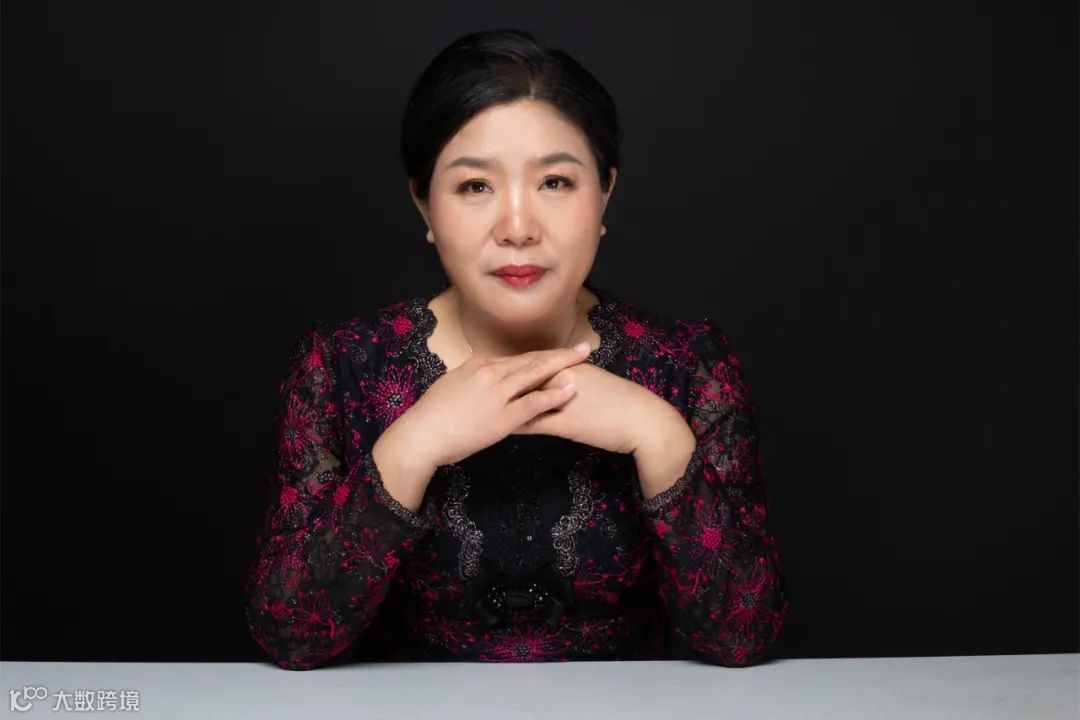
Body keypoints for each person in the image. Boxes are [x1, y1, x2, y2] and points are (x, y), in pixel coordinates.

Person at [244, 28, 789, 669]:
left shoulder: (688, 366)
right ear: (424, 203)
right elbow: (289, 636)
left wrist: (659, 434)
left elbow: (743, 638)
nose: (518, 228)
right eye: (475, 186)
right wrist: (413, 444)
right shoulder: (342, 367)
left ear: (605, 191)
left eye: (555, 182)